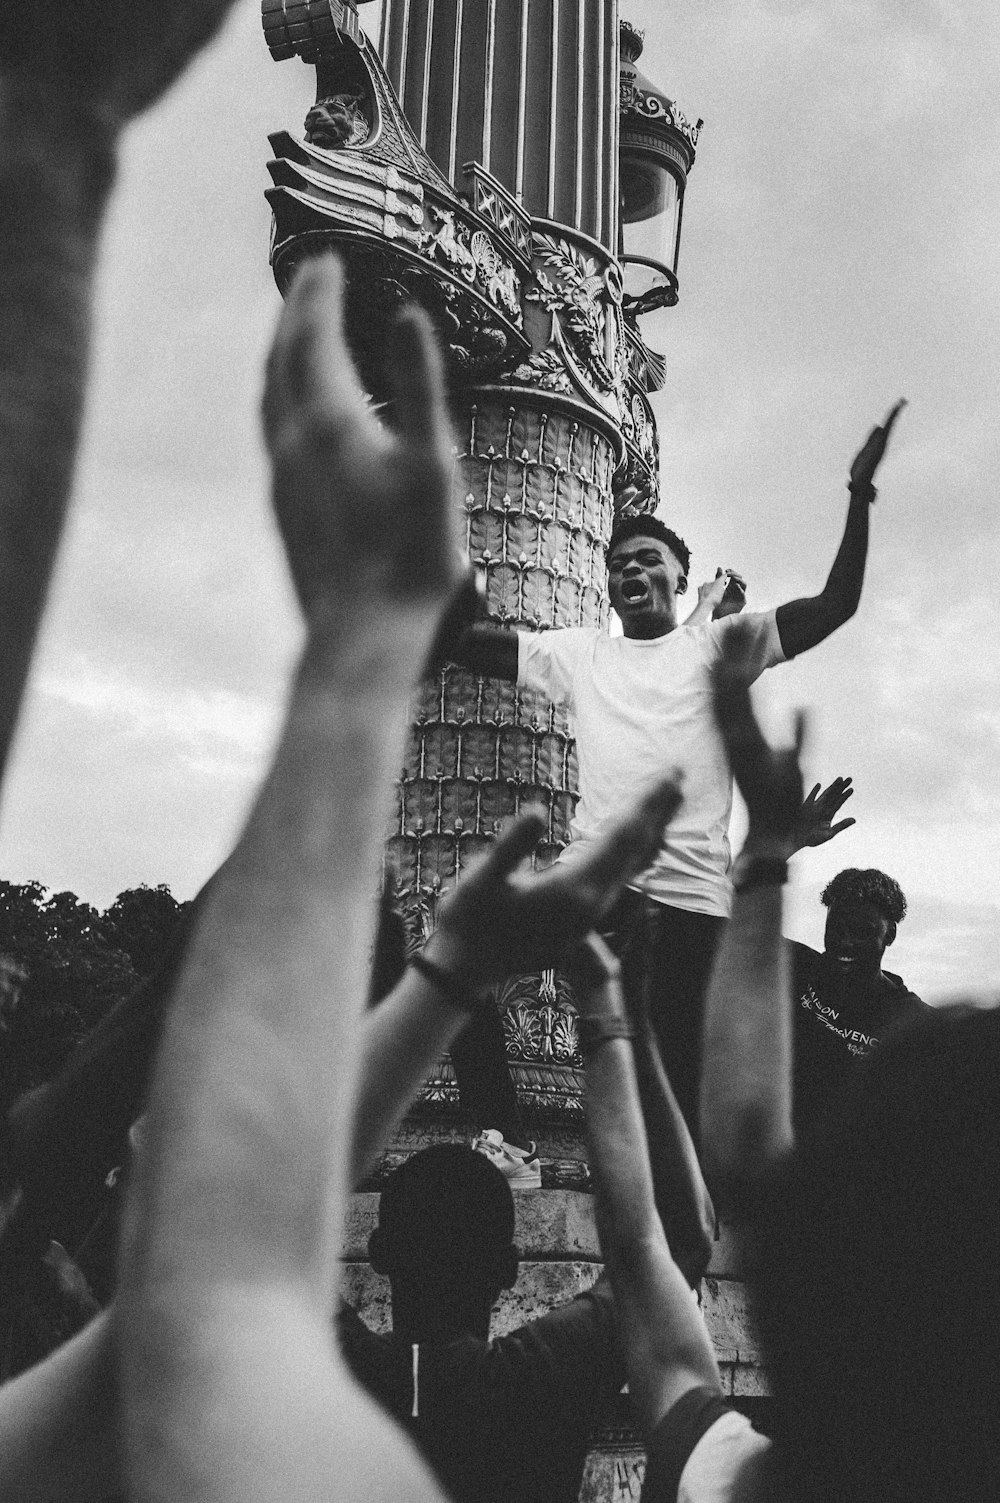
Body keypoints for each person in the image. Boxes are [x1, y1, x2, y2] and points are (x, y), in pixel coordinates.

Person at [451, 406, 905, 1136]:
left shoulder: (722, 644)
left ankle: (689, 1224)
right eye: (618, 564)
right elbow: (475, 645)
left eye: (645, 559)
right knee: (460, 950)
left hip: (691, 907)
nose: (629, 569)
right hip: (597, 888)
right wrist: (439, 570)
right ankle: (503, 1136)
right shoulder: (580, 653)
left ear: (679, 577)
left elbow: (835, 605)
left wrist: (860, 496)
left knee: (672, 1083)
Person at [789, 865, 930, 1135]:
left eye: (862, 932)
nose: (845, 942)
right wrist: (777, 850)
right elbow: (722, 921)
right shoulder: (793, 966)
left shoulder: (912, 1021)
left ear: (889, 935)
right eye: (837, 928)